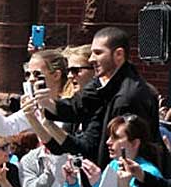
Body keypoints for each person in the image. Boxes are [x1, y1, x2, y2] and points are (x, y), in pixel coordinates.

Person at [37, 27, 161, 171]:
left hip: (126, 176)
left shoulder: (129, 96)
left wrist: (108, 183)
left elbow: (127, 148)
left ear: (118, 54)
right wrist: (48, 104)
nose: (92, 59)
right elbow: (76, 106)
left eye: (98, 53)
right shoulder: (101, 83)